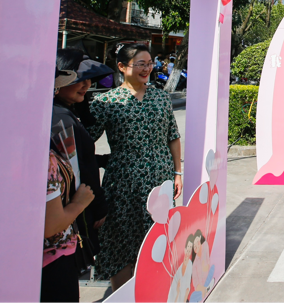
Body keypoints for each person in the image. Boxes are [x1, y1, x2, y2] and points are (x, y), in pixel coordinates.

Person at [85, 43, 183, 290]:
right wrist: (100, 162)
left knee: (156, 238)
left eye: (149, 63)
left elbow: (172, 136)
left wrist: (177, 172)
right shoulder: (106, 102)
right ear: (121, 66)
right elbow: (84, 142)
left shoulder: (161, 98)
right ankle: (122, 294)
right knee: (121, 239)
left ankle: (152, 291)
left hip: (159, 181)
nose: (147, 69)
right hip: (122, 184)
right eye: (140, 64)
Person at [52, 48, 113, 271]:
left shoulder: (63, 114)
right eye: (79, 79)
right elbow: (77, 169)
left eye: (89, 79)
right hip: (69, 214)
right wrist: (98, 206)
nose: (86, 85)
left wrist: (101, 160)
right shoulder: (61, 119)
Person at [43, 69, 97, 303]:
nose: (85, 85)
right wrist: (80, 204)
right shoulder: (43, 156)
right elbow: (52, 225)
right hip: (52, 260)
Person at [189, 230, 215, 303]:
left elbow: (207, 268)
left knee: (212, 268)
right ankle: (206, 290)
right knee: (193, 297)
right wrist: (204, 289)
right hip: (201, 289)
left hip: (208, 281)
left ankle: (207, 288)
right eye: (194, 245)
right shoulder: (194, 265)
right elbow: (196, 285)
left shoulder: (204, 249)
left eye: (197, 243)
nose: (196, 246)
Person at [167, 235, 194, 303]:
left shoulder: (189, 264)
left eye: (190, 247)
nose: (189, 250)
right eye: (188, 246)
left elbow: (187, 288)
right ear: (185, 249)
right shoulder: (179, 268)